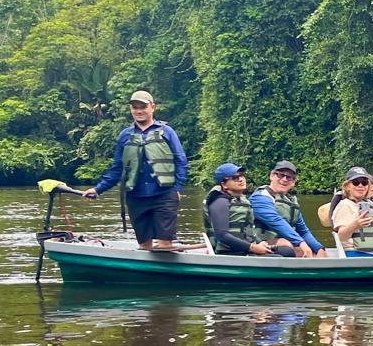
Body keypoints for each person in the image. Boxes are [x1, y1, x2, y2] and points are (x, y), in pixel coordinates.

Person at [83, 90, 188, 250]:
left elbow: (181, 161)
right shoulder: (125, 135)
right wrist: (98, 189)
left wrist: (177, 189)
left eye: (143, 107)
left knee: (165, 244)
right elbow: (117, 169)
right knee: (144, 245)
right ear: (130, 109)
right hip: (136, 197)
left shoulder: (167, 132)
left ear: (152, 107)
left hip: (164, 195)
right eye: (135, 107)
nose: (139, 111)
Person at [202, 163, 296, 256]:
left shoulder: (240, 199)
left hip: (244, 249)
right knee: (283, 255)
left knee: (287, 251)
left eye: (242, 176)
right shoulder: (220, 202)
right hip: (230, 253)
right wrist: (252, 247)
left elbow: (248, 231)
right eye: (235, 178)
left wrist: (259, 244)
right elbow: (222, 235)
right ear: (224, 184)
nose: (241, 179)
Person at [250, 160, 327, 258]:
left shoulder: (290, 202)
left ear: (293, 182)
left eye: (289, 177)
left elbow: (303, 231)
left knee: (316, 251)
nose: (284, 179)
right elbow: (276, 221)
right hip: (260, 244)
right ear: (272, 176)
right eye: (280, 175)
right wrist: (301, 243)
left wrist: (319, 248)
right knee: (287, 245)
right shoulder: (260, 197)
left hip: (288, 243)